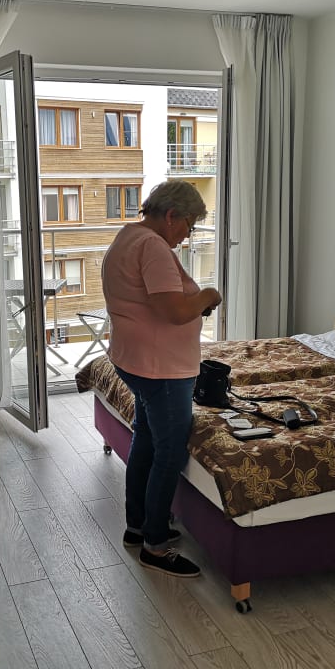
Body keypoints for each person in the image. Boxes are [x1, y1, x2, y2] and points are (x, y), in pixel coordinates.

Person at [101, 180, 222, 578]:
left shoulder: (127, 236)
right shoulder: (153, 247)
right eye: (188, 224)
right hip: (161, 368)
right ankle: (155, 545)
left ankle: (137, 525)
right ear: (171, 215)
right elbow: (174, 311)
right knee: (169, 451)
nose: (187, 235)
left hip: (135, 360)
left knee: (147, 439)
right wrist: (207, 295)